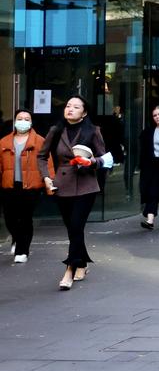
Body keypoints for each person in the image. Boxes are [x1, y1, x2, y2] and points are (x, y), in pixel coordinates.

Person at [37, 95, 109, 290]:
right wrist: (46, 177)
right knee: (72, 229)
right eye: (68, 105)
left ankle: (70, 269)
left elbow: (105, 159)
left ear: (84, 113)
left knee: (76, 226)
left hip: (86, 185)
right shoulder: (56, 130)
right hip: (62, 185)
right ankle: (83, 264)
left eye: (76, 107)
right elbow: (42, 156)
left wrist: (91, 162)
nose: (70, 109)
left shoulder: (93, 131)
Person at [1, 110, 45, 263]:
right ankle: (16, 238)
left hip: (31, 186)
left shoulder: (39, 141)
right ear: (14, 121)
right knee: (10, 218)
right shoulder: (4, 142)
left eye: (27, 119)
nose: (23, 121)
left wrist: (48, 182)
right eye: (20, 118)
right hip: (9, 185)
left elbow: (46, 163)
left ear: (31, 122)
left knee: (25, 218)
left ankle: (22, 250)